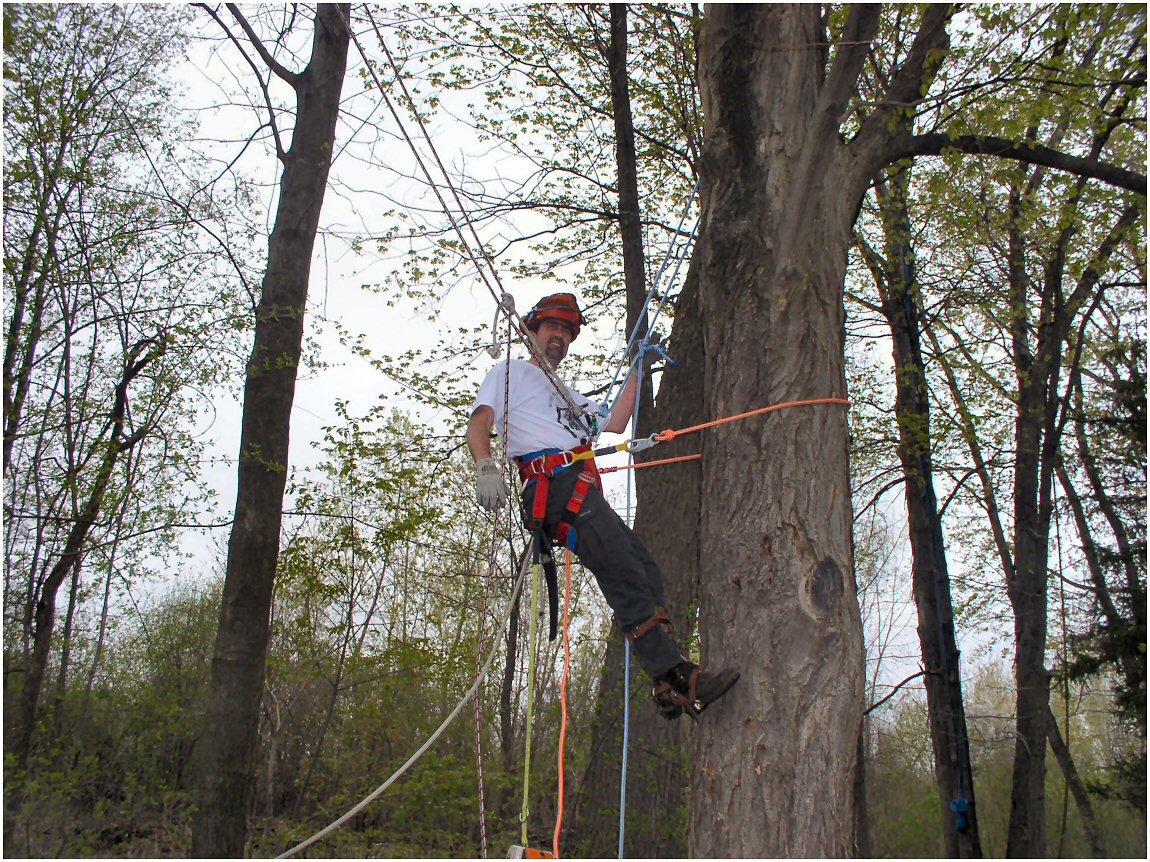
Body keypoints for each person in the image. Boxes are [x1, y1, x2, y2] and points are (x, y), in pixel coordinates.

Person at [466, 292, 739, 719]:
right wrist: (486, 465)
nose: (559, 337)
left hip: (580, 488)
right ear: (532, 331)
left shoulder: (568, 397)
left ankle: (666, 684)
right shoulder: (510, 373)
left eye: (567, 332)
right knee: (624, 569)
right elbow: (479, 422)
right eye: (552, 327)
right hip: (552, 486)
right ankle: (678, 674)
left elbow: (614, 422)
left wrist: (638, 368)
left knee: (645, 567)